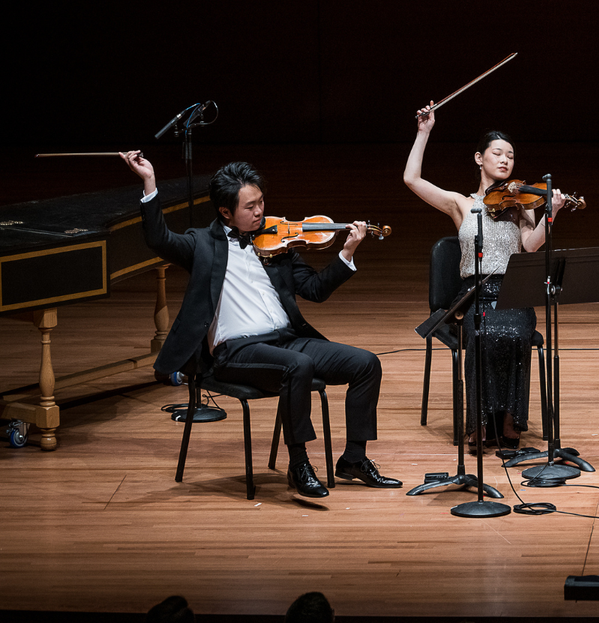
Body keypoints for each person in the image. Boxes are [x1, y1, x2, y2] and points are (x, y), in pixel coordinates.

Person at [120, 152, 401, 498]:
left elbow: (314, 290)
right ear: (225, 212)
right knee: (298, 367)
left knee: (366, 363)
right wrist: (149, 182)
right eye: (249, 207)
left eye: (261, 202)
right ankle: (299, 464)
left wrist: (347, 253)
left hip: (286, 340)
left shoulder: (277, 242)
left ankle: (354, 460)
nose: (260, 212)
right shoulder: (202, 245)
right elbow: (158, 239)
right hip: (236, 352)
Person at [403, 103, 564, 452]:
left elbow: (531, 247)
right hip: (475, 295)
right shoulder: (461, 203)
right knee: (481, 331)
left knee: (518, 332)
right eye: (497, 153)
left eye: (510, 155)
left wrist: (550, 215)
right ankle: (478, 422)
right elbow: (411, 179)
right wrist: (424, 132)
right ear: (480, 158)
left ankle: (508, 422)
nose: (505, 160)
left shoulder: (520, 204)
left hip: (512, 293)